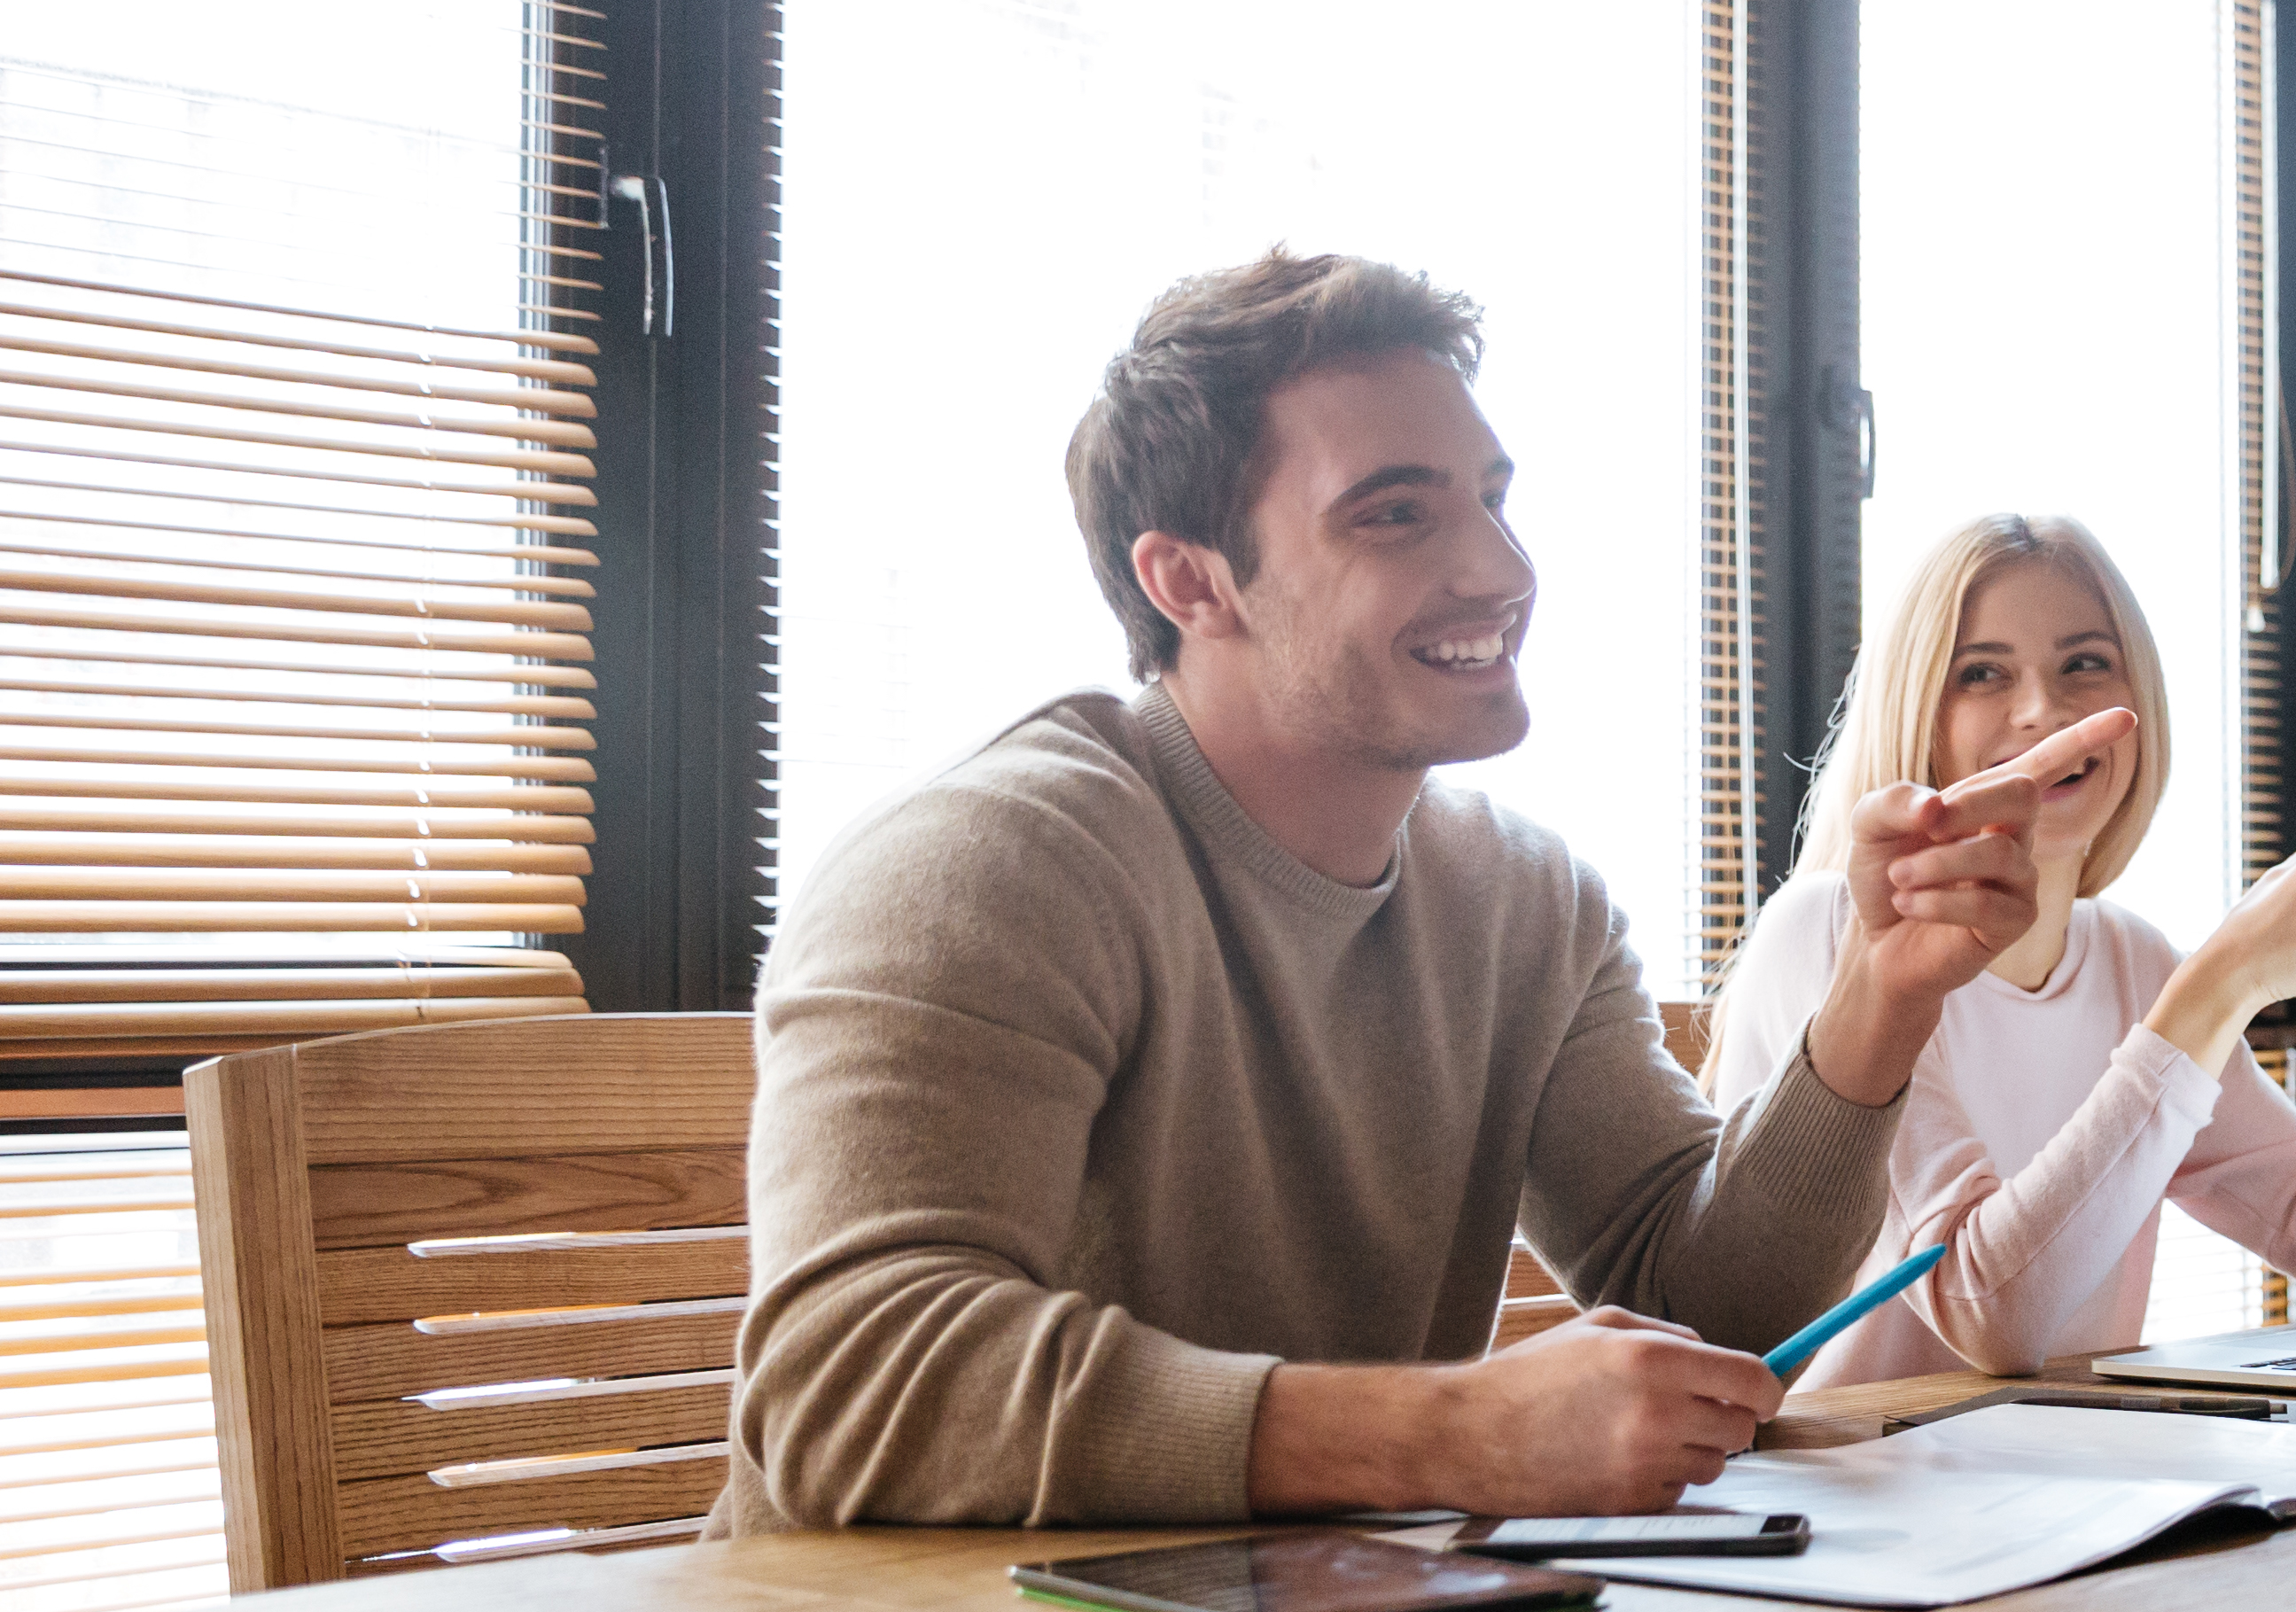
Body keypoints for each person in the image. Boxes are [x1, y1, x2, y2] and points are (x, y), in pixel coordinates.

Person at [722, 249, 2097, 1533]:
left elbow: (1702, 1307)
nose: (1501, 571)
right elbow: (849, 1384)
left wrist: (1882, 991)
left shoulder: (1525, 901)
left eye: (1492, 498)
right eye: (1395, 515)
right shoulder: (992, 866)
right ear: (1190, 581)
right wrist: (1447, 1434)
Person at [1705, 513, 2296, 1385]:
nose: (2043, 710)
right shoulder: (1833, 934)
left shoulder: (2130, 960)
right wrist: (2229, 977)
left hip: (2067, 1480)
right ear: (1919, 722)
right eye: (1982, 674)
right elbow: (1986, 1314)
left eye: (2084, 664)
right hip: (1853, 1492)